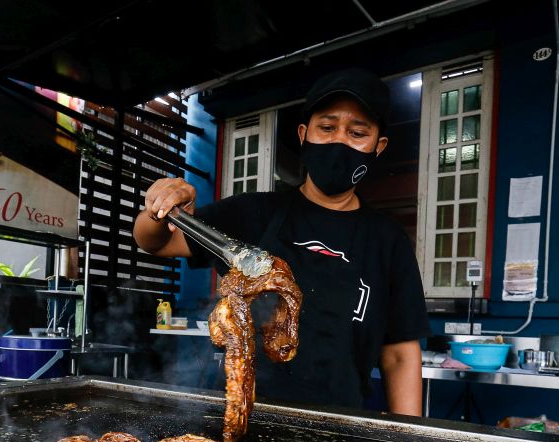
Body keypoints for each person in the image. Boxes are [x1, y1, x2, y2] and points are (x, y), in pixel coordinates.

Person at [133, 67, 430, 416]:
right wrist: (160, 207)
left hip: (339, 426)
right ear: (304, 134)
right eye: (327, 127)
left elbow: (400, 354)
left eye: (357, 132)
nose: (339, 141)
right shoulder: (253, 212)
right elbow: (154, 243)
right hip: (241, 416)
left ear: (377, 147)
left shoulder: (387, 239)